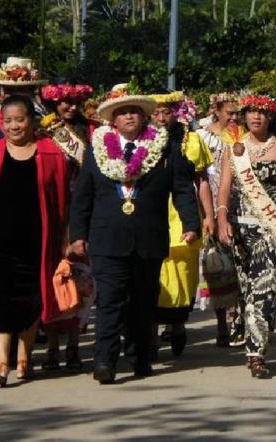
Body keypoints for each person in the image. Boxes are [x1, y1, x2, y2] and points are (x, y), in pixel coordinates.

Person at [68, 87, 199, 384]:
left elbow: (181, 188)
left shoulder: (165, 148)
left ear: (144, 117)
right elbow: (83, 196)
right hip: (107, 238)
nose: (129, 116)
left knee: (143, 301)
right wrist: (78, 234)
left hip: (148, 238)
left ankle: (140, 356)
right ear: (113, 120)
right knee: (111, 300)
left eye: (134, 111)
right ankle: (104, 360)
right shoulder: (97, 148)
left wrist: (191, 224)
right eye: (122, 112)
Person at [0, 95, 69, 386]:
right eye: (8, 121)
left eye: (20, 119)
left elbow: (61, 203)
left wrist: (65, 241)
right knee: (0, 296)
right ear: (1, 123)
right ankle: (0, 363)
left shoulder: (51, 155)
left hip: (37, 241)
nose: (14, 126)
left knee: (33, 298)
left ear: (31, 120)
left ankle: (24, 358)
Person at [216, 94, 276, 378]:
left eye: (262, 113)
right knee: (248, 291)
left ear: (271, 117)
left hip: (273, 229)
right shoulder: (234, 149)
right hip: (241, 228)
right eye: (251, 112)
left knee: (265, 289)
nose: (256, 117)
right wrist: (221, 218)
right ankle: (254, 339)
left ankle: (256, 353)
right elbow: (225, 188)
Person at [150, 92, 215, 358]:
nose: (162, 117)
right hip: (152, 212)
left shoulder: (192, 139)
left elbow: (201, 181)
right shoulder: (144, 140)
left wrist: (209, 215)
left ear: (177, 112)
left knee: (182, 274)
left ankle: (176, 323)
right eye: (157, 113)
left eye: (167, 112)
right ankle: (150, 335)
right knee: (154, 272)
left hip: (183, 213)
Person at [39, 82, 99, 371]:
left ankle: (74, 344)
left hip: (84, 212)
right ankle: (51, 345)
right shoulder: (44, 132)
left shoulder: (94, 131)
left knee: (82, 278)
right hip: (52, 209)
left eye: (76, 101)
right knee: (53, 276)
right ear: (54, 103)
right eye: (64, 102)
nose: (71, 107)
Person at [196, 92, 242, 346]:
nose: (234, 117)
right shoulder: (204, 136)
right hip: (212, 204)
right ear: (217, 110)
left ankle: (239, 318)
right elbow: (200, 174)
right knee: (215, 264)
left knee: (239, 262)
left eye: (237, 113)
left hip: (240, 203)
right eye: (230, 113)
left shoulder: (244, 135)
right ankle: (221, 322)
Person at [0, 57, 48, 143]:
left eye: (21, 90)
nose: (15, 95)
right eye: (10, 90)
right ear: (1, 91)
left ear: (31, 91)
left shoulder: (43, 123)